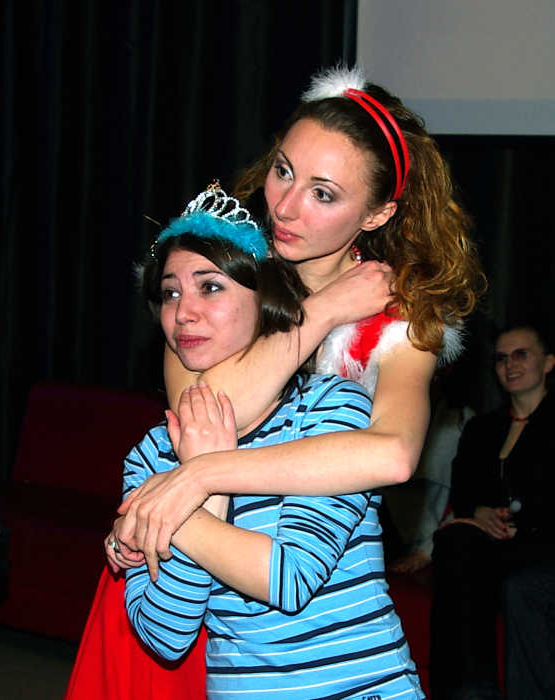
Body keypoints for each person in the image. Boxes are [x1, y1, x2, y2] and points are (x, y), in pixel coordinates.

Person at [114, 64, 485, 578]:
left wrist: (203, 474)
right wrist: (324, 311)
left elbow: (395, 454)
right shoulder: (221, 273)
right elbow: (202, 408)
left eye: (323, 193)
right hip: (185, 570)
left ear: (376, 214)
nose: (285, 207)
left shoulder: (396, 320)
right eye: (283, 171)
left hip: (307, 591)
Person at [117, 184, 425, 697]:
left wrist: (169, 501)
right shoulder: (152, 455)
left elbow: (289, 578)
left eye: (210, 287)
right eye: (170, 292)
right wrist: (204, 494)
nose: (184, 312)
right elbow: (165, 637)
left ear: (265, 301)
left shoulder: (329, 408)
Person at [429, 323, 555, 700]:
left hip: (544, 544)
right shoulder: (482, 428)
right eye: (501, 358)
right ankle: (469, 690)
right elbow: (463, 490)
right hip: (493, 544)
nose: (509, 365)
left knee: (520, 586)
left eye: (521, 354)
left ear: (548, 363)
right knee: (455, 540)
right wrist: (478, 511)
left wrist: (526, 522)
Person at [382, 368, 476, 574]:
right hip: (391, 532)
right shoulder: (386, 416)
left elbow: (469, 501)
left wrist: (426, 550)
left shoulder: (463, 422)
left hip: (441, 535)